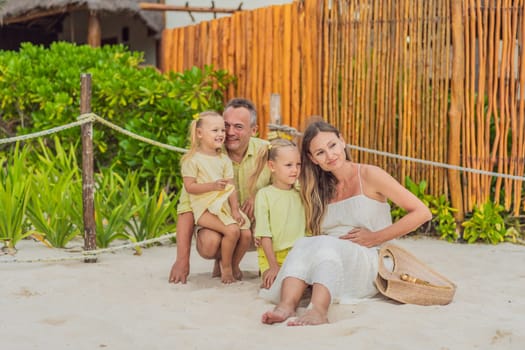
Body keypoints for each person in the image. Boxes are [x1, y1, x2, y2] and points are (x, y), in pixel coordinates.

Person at [260, 120, 432, 326]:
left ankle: (318, 311)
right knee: (305, 243)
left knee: (324, 243)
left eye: (332, 145)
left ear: (342, 141)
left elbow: (422, 212)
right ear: (312, 159)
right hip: (330, 262)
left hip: (371, 260)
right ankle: (286, 306)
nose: (330, 155)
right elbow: (278, 179)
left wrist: (375, 237)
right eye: (320, 152)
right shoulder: (317, 188)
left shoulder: (370, 175)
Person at [169, 98, 271, 284]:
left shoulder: (267, 151)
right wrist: (182, 261)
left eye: (238, 127)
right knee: (210, 243)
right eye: (225, 126)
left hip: (253, 222)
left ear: (254, 130)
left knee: (271, 212)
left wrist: (260, 197)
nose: (229, 133)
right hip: (216, 219)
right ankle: (225, 262)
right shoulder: (205, 154)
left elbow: (292, 185)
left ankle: (269, 265)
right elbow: (186, 207)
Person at [180, 111, 251, 283]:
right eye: (215, 130)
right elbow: (190, 187)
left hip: (223, 207)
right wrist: (212, 186)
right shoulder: (192, 160)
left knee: (246, 233)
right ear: (200, 134)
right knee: (232, 230)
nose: (221, 134)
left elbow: (231, 187)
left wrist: (235, 209)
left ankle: (233, 264)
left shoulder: (223, 159)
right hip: (204, 208)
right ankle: (225, 268)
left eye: (222, 130)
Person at [248, 138, 306, 289]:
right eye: (288, 165)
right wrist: (273, 266)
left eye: (298, 165)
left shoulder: (301, 193)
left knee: (301, 283)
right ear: (272, 166)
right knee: (276, 286)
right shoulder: (264, 195)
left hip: (297, 254)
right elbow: (264, 234)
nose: (295, 170)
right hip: (270, 256)